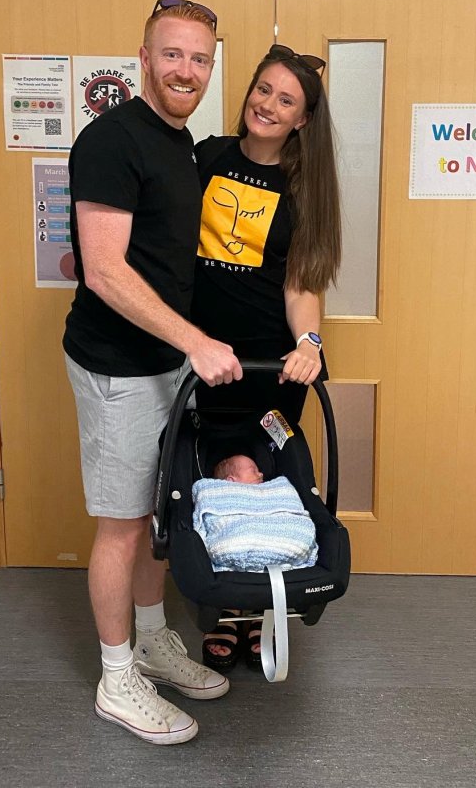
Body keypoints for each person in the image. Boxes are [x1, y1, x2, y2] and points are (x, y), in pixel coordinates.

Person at [63, 0, 243, 747]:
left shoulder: (180, 142)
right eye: (172, 54)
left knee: (153, 516)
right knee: (121, 525)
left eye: (199, 59)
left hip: (165, 364)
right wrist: (195, 341)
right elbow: (104, 271)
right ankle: (115, 675)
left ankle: (150, 637)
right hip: (120, 368)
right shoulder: (111, 140)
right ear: (142, 58)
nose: (186, 70)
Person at [191, 43, 341, 671]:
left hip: (268, 370)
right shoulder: (204, 158)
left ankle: (255, 606)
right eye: (263, 90)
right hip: (198, 355)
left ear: (303, 119)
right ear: (248, 91)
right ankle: (219, 605)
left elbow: (301, 284)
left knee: (261, 476)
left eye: (286, 100)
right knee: (204, 471)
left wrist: (309, 345)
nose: (268, 105)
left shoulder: (304, 189)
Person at [192, 457, 318, 573]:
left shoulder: (276, 489)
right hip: (236, 539)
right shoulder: (216, 492)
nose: (261, 474)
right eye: (254, 471)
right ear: (231, 481)